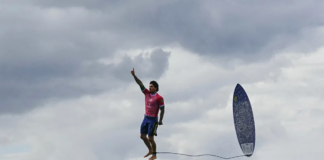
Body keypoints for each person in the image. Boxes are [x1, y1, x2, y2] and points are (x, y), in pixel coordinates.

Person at [131, 68, 165, 160]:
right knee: (142, 136)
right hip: (145, 118)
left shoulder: (159, 98)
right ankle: (150, 149)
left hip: (153, 120)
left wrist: (161, 120)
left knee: (150, 138)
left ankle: (154, 154)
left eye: (151, 86)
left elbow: (162, 109)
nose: (149, 87)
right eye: (149, 86)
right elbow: (140, 84)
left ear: (156, 88)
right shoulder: (146, 93)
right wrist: (134, 76)